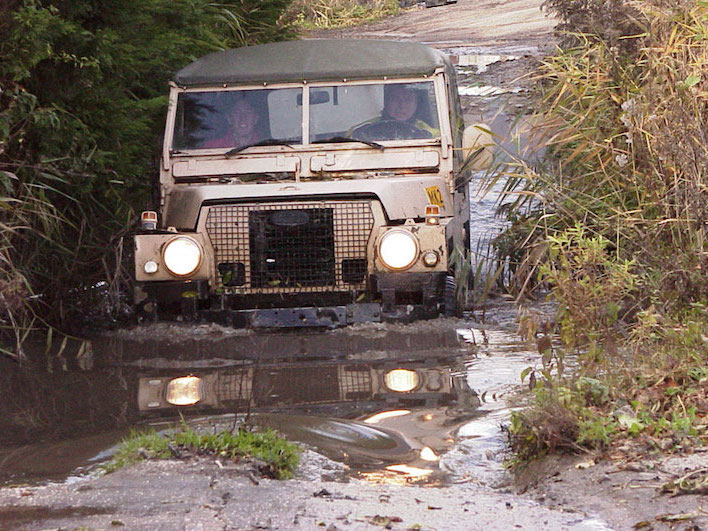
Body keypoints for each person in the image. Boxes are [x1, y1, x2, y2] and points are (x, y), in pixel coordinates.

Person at [350, 83, 439, 140]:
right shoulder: (361, 130)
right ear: (386, 101)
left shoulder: (433, 136)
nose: (402, 105)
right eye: (395, 99)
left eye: (408, 99)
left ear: (416, 103)